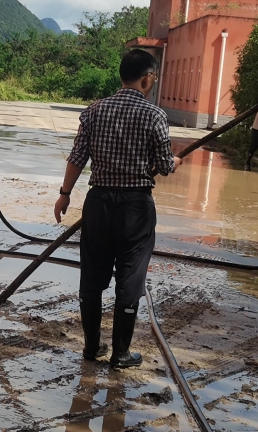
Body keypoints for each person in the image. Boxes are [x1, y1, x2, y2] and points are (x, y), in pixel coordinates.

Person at [53, 50, 181, 369]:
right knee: (130, 278)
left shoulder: (95, 110)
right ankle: (120, 354)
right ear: (147, 78)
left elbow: (77, 157)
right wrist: (174, 161)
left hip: (98, 204)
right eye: (154, 78)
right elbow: (165, 165)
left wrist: (64, 195)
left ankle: (91, 347)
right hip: (135, 208)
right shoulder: (154, 115)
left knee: (92, 277)